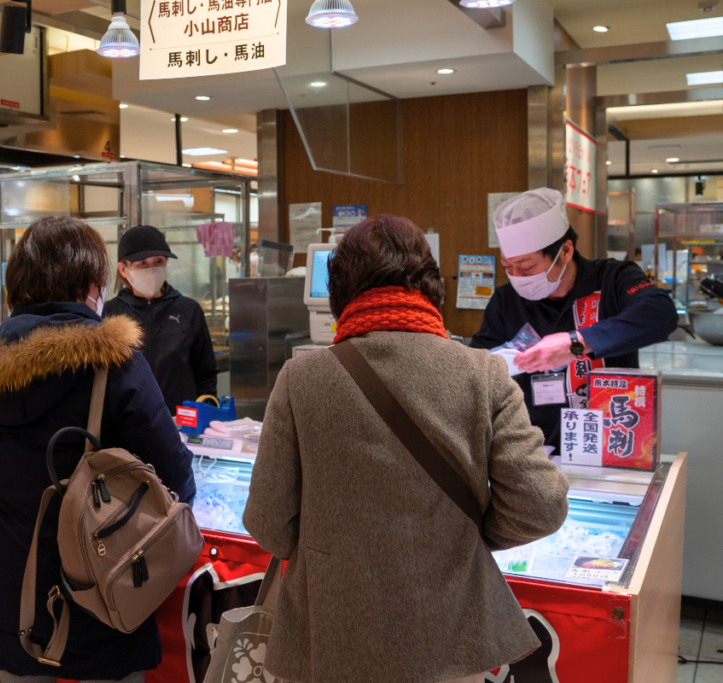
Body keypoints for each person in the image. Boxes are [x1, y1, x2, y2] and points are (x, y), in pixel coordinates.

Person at [243, 215, 570, 683]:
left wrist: (330, 552)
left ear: (339, 292)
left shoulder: (301, 379)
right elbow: (540, 505)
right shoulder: (482, 373)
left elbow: (267, 521)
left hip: (331, 635)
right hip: (452, 637)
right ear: (431, 286)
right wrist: (466, 537)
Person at [0, 216, 196, 683]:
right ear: (90, 285)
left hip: (14, 602)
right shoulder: (115, 365)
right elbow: (175, 478)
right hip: (105, 598)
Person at [470, 188, 677, 449]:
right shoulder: (506, 300)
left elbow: (661, 314)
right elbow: (477, 365)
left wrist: (576, 343)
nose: (517, 278)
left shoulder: (613, 279)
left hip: (614, 440)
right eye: (508, 268)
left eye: (527, 267)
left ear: (565, 251)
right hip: (540, 448)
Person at [103, 225, 218, 414]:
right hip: (128, 422)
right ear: (124, 269)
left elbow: (205, 373)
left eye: (158, 262)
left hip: (181, 421)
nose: (152, 270)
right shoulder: (110, 313)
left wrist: (205, 414)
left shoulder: (189, 310)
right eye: (142, 264)